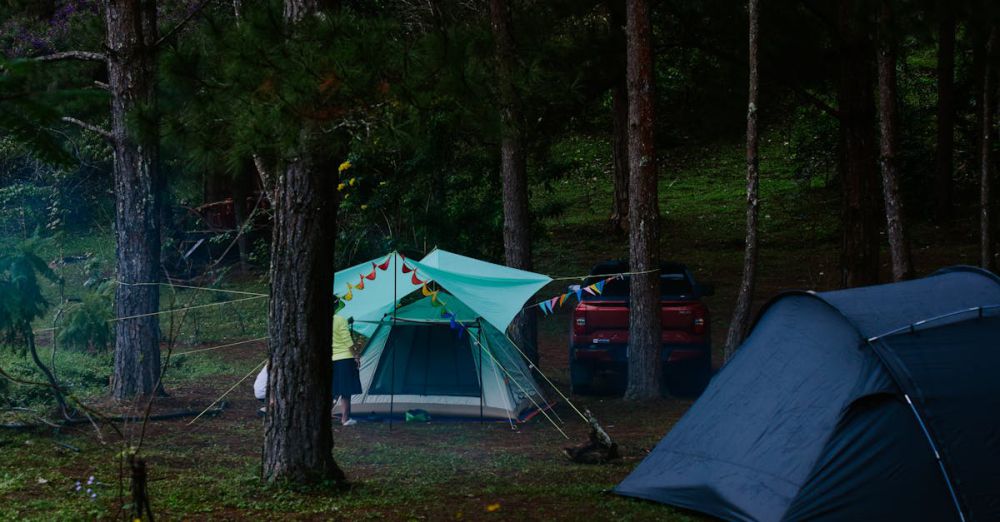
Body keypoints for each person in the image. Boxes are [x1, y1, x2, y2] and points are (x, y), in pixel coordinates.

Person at [331, 307, 362, 426]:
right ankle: (345, 419)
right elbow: (347, 340)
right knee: (345, 390)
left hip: (331, 359)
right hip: (345, 358)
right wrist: (356, 356)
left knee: (332, 390)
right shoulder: (339, 319)